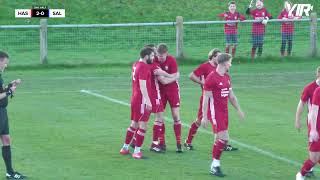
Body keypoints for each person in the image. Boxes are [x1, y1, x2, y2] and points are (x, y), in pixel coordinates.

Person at [184, 49, 238, 151]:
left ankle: (222, 143)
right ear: (212, 57)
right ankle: (188, 141)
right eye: (217, 56)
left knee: (221, 120)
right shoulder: (205, 66)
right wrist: (203, 83)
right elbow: (191, 75)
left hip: (218, 100)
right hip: (207, 99)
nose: (219, 58)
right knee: (199, 120)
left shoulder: (221, 68)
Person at [201, 53, 244, 177]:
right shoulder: (211, 78)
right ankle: (215, 165)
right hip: (216, 113)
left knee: (219, 140)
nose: (231, 64)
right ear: (225, 63)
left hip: (224, 112)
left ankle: (214, 165)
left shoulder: (226, 77)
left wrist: (238, 109)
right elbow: (206, 98)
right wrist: (204, 116)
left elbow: (231, 96)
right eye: (230, 62)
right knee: (224, 139)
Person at [119, 47, 155, 159]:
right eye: (152, 56)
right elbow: (143, 85)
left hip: (135, 98)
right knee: (142, 125)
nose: (154, 58)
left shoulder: (136, 64)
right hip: (141, 100)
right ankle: (137, 152)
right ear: (146, 56)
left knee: (134, 124)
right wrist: (148, 102)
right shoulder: (144, 67)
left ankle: (125, 148)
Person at [0, 51, 26, 179]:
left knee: (6, 139)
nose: (6, 65)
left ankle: (10, 172)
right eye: (5, 63)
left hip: (2, 112)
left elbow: (1, 90)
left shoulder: (0, 75)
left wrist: (10, 85)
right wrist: (10, 91)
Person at [155, 43, 183, 153]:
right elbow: (163, 80)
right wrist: (174, 76)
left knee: (176, 116)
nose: (159, 57)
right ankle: (161, 143)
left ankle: (178, 143)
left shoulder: (171, 60)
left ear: (166, 53)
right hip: (160, 91)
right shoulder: (155, 61)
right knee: (160, 117)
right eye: (158, 55)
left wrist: (169, 77)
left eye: (162, 56)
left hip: (173, 90)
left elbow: (168, 79)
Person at [295, 66, 320, 178]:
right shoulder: (310, 88)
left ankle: (309, 167)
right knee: (314, 157)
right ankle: (301, 174)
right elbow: (302, 104)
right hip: (314, 124)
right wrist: (297, 120)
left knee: (316, 156)